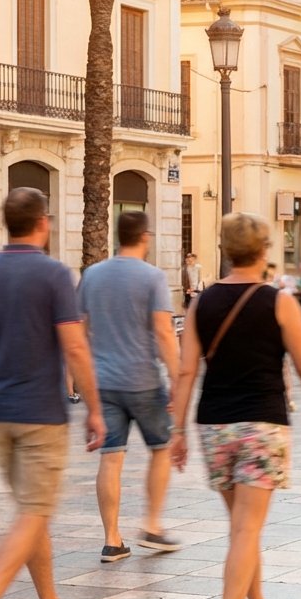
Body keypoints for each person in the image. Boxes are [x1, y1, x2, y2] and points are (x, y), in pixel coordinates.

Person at [170, 212, 301, 599]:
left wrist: (177, 431)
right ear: (264, 250)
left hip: (214, 426)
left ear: (224, 249)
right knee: (247, 528)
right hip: (262, 425)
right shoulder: (278, 300)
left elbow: (186, 371)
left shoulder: (200, 303)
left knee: (244, 527)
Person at [0, 188, 105, 599]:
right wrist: (97, 410)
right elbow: (76, 346)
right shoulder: (54, 274)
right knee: (34, 512)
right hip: (40, 414)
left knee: (30, 509)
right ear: (43, 222)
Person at [79, 210, 180, 561]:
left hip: (103, 382)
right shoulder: (153, 277)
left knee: (111, 457)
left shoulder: (92, 275)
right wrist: (179, 378)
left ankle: (112, 539)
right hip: (143, 380)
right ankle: (152, 524)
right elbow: (165, 333)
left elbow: (80, 328)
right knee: (162, 448)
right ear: (145, 236)